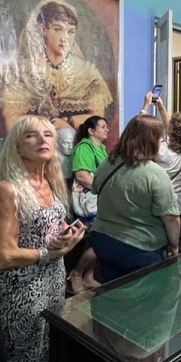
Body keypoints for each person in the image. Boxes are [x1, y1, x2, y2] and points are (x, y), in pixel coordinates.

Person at [0, 116, 86, 362]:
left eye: (47, 134)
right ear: (17, 145)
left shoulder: (52, 184)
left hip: (53, 280)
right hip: (22, 290)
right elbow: (3, 255)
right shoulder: (8, 189)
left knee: (45, 361)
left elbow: (45, 236)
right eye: (32, 135)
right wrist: (51, 251)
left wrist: (64, 239)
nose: (42, 140)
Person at [0, 0, 113, 132]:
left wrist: (68, 122)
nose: (65, 37)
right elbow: (12, 122)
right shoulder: (21, 70)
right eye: (58, 29)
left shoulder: (88, 72)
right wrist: (49, 125)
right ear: (43, 29)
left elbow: (98, 120)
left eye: (71, 31)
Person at [90, 113, 180, 282]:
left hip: (103, 240)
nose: (162, 141)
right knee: (144, 300)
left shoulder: (107, 163)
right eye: (160, 137)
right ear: (151, 140)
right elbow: (170, 217)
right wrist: (174, 246)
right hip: (140, 246)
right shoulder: (155, 173)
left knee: (111, 294)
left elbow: (94, 188)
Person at [142, 91, 181, 252]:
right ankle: (178, 270)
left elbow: (140, 131)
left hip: (162, 203)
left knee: (160, 242)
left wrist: (146, 107)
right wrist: (161, 108)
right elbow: (176, 132)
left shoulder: (161, 151)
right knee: (178, 242)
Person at [67, 115, 109, 293]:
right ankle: (76, 274)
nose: (107, 129)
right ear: (91, 131)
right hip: (89, 201)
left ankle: (88, 275)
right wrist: (104, 189)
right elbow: (82, 176)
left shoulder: (102, 148)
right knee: (99, 240)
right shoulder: (84, 148)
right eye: (102, 127)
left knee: (94, 239)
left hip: (99, 198)